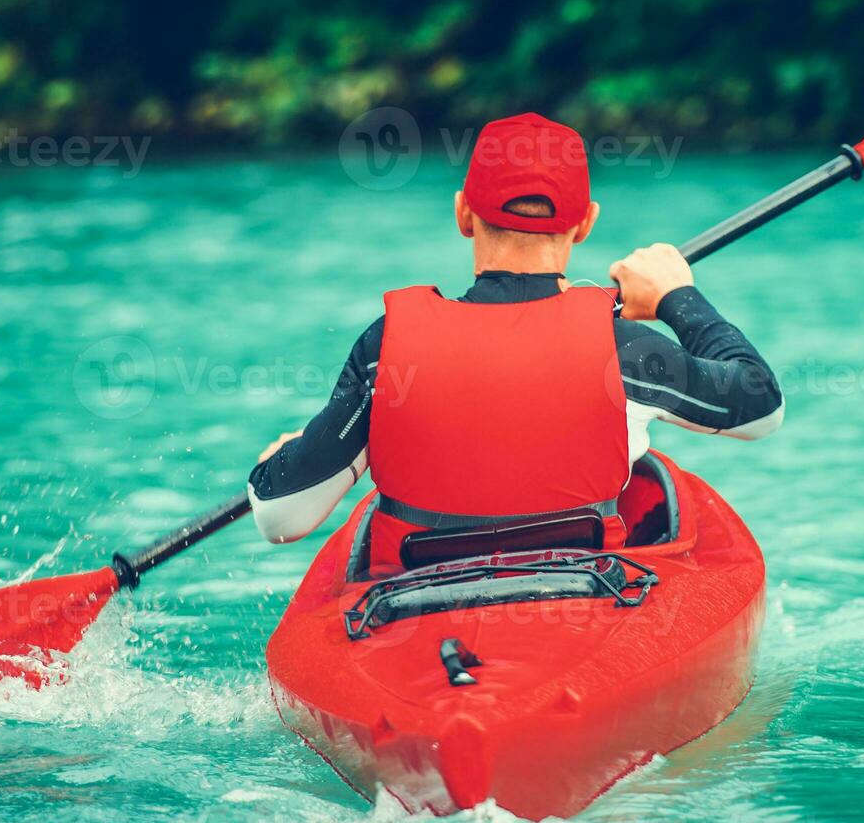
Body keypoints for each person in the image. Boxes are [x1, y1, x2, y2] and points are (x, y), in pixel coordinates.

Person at [248, 112, 782, 566]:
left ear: (463, 214)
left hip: (413, 615)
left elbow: (283, 518)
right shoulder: (623, 351)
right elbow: (760, 407)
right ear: (585, 225)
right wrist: (676, 298)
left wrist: (284, 461)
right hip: (580, 605)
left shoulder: (387, 348)